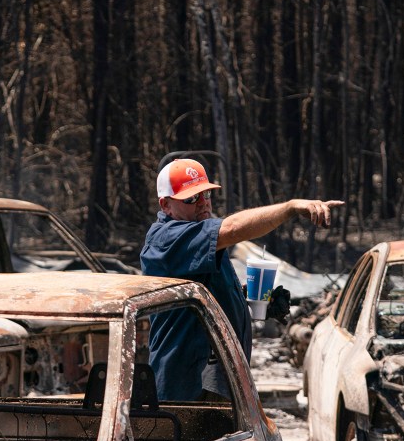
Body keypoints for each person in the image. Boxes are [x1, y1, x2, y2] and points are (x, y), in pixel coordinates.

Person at [140, 157, 341, 400]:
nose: (203, 203)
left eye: (206, 194)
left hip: (213, 383)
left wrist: (245, 299)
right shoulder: (166, 239)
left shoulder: (199, 235)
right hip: (187, 389)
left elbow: (199, 296)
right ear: (166, 205)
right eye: (191, 198)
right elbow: (232, 228)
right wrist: (290, 208)